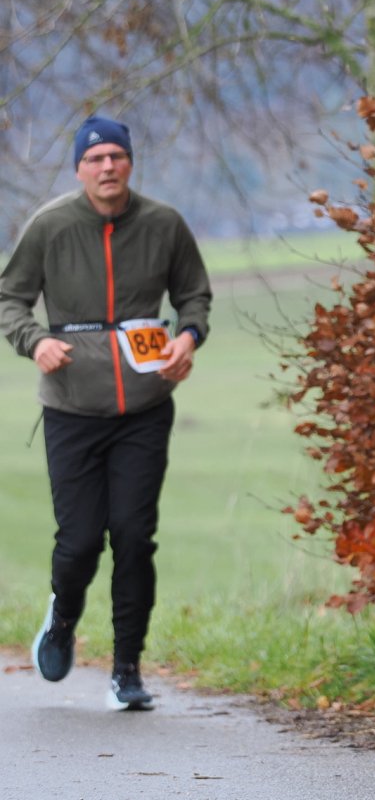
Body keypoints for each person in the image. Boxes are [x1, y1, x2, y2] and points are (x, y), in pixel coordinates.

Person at [0, 115, 211, 711]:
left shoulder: (164, 224)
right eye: (94, 159)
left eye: (116, 155)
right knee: (80, 543)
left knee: (135, 538)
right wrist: (35, 342)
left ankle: (127, 670)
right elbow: (9, 298)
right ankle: (62, 620)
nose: (107, 166)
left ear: (130, 163)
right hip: (72, 406)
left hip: (145, 405)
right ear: (79, 169)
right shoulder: (51, 225)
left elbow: (194, 295)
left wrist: (188, 337)